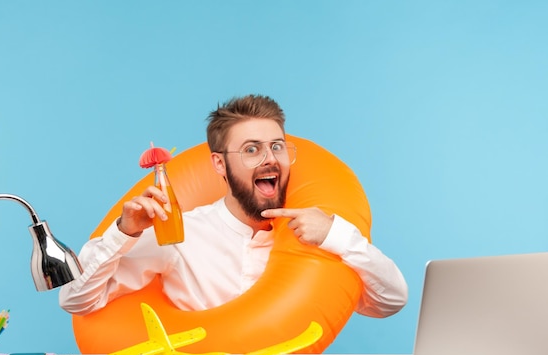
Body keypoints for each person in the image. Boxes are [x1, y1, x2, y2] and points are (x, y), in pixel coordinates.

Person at [59, 95, 408, 318]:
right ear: (219, 165)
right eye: (252, 150)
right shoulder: (181, 233)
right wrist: (124, 233)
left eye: (277, 146)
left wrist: (337, 235)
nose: (269, 159)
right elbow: (76, 300)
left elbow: (389, 302)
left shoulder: (315, 234)